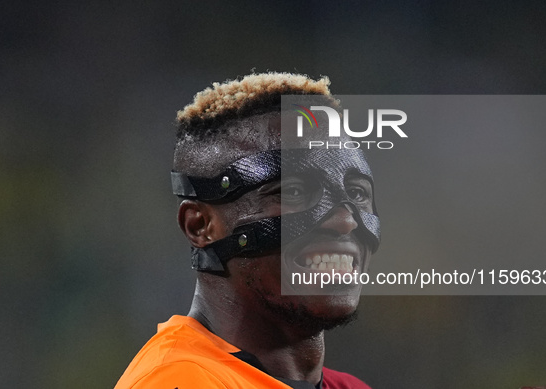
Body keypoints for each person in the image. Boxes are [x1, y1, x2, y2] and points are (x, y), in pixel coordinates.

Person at [114, 72, 378, 388]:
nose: (345, 221)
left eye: (358, 193)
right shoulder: (180, 380)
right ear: (200, 225)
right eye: (293, 192)